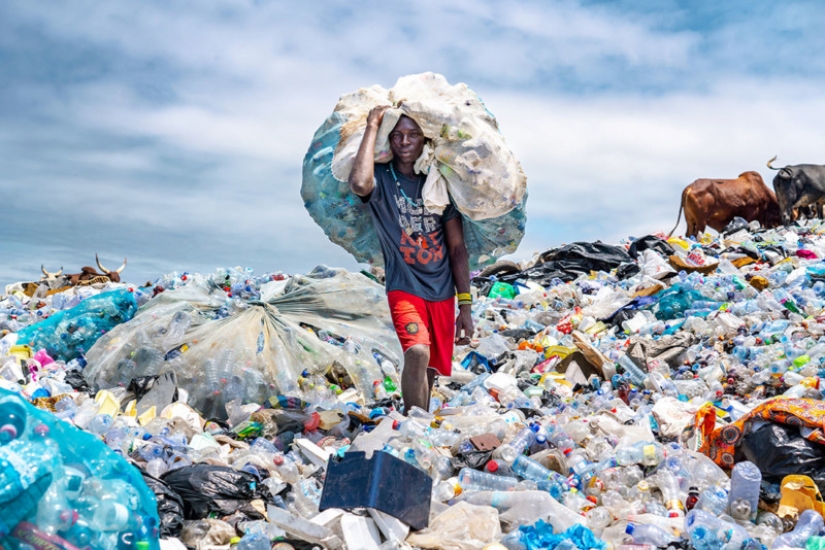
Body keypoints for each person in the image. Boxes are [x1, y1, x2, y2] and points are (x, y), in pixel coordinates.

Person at [348, 105, 473, 414]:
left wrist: (465, 308)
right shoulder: (381, 180)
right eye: (397, 135)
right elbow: (359, 184)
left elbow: (457, 249)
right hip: (404, 286)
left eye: (413, 135)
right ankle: (411, 426)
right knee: (417, 352)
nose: (404, 141)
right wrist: (372, 124)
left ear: (424, 140)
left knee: (428, 371)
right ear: (389, 140)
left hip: (442, 292)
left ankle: (420, 427)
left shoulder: (438, 184)